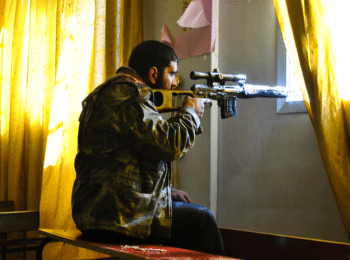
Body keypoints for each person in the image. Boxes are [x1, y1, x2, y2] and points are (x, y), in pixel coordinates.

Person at [71, 40, 225, 256]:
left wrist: (165, 192)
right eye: (171, 74)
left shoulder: (109, 92)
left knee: (186, 215)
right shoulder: (131, 96)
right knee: (203, 221)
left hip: (96, 211)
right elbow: (168, 145)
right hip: (119, 217)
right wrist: (190, 114)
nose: (174, 83)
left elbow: (123, 162)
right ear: (153, 74)